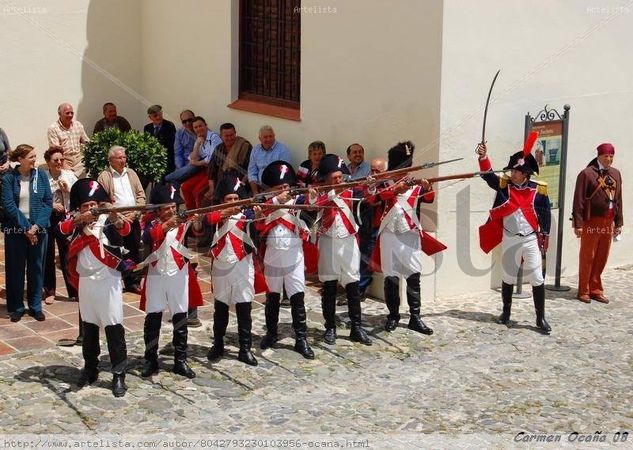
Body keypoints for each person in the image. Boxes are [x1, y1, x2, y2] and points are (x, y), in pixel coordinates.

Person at [59, 178, 133, 397]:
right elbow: (61, 228)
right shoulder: (75, 225)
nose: (91, 209)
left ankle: (119, 374)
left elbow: (126, 228)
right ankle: (90, 369)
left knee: (114, 329)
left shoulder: (109, 221)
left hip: (108, 281)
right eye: (86, 206)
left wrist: (113, 214)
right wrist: (78, 220)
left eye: (93, 205)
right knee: (89, 330)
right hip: (86, 282)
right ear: (79, 209)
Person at [476, 132, 552, 335]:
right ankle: (506, 313)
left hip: (530, 240)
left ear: (525, 172)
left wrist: (544, 236)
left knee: (537, 277)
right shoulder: (503, 186)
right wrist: (483, 157)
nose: (512, 173)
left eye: (516, 171)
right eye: (512, 170)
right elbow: (488, 176)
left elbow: (545, 216)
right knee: (508, 276)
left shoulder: (539, 191)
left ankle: (540, 317)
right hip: (510, 238)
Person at [370, 142, 446, 335]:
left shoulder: (415, 185)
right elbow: (372, 199)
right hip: (389, 235)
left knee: (413, 277)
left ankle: (415, 317)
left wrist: (428, 186)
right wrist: (396, 189)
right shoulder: (384, 185)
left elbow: (429, 198)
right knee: (391, 278)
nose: (405, 173)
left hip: (410, 235)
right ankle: (393, 316)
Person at [138, 183, 203, 379]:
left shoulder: (183, 221)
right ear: (158, 209)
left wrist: (197, 222)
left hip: (179, 274)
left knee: (180, 316)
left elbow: (198, 231)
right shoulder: (151, 222)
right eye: (167, 207)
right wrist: (166, 225)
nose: (172, 210)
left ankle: (180, 360)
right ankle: (150, 359)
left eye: (174, 206)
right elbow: (148, 237)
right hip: (157, 274)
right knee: (153, 318)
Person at [310, 154, 372, 346]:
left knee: (353, 285)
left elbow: (369, 195)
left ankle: (356, 327)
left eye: (340, 177)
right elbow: (313, 206)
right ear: (326, 179)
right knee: (329, 287)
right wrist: (329, 193)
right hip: (328, 241)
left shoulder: (350, 189)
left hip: (348, 240)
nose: (339, 180)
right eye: (335, 178)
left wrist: (370, 185)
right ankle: (330, 327)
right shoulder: (320, 192)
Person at [257, 161, 315, 359]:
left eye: (285, 187)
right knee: (272, 297)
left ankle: (301, 339)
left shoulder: (298, 201)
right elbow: (258, 218)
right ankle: (271, 334)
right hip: (272, 255)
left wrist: (310, 201)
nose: (284, 190)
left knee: (297, 297)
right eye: (279, 188)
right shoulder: (266, 204)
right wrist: (276, 200)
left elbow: (310, 211)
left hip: (294, 254)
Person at [204, 176, 262, 366]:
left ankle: (245, 348)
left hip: (242, 265)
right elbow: (208, 219)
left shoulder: (248, 214)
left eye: (236, 199)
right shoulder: (216, 214)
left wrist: (256, 211)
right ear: (222, 200)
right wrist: (226, 212)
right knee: (220, 308)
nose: (233, 202)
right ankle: (218, 344)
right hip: (221, 265)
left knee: (244, 306)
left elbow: (258, 220)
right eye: (228, 199)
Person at [2, 144, 53, 322]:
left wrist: (35, 227)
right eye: (31, 157)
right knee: (15, 270)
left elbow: (48, 202)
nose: (34, 160)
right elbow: (9, 205)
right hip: (16, 231)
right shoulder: (9, 178)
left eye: (34, 156)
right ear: (20, 159)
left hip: (38, 231)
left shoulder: (41, 176)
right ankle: (16, 307)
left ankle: (35, 306)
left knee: (36, 269)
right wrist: (25, 228)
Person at [572, 143, 623, 304]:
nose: (609, 159)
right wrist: (578, 224)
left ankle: (596, 288)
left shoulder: (616, 174)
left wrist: (619, 221)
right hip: (591, 221)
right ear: (599, 156)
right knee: (588, 255)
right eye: (606, 156)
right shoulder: (586, 174)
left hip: (608, 220)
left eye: (611, 156)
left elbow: (618, 199)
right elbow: (578, 200)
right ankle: (584, 290)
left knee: (602, 255)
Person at [97, 145, 146, 294]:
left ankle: (134, 281)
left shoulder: (131, 173)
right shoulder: (104, 176)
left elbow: (141, 195)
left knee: (134, 251)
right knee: (119, 251)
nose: (123, 160)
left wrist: (135, 213)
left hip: (134, 217)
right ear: (110, 160)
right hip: (117, 220)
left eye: (124, 157)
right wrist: (120, 216)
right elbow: (103, 201)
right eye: (119, 158)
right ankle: (120, 280)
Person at [42, 146, 78, 304]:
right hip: (48, 218)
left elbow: (79, 197)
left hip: (65, 218)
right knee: (48, 254)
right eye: (55, 160)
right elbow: (37, 199)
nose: (59, 162)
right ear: (48, 162)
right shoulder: (42, 177)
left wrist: (68, 190)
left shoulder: (69, 175)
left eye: (61, 159)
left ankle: (73, 290)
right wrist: (51, 206)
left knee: (68, 254)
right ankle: (50, 291)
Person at [175, 116, 222, 208]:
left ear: (206, 125)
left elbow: (210, 160)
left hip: (214, 171)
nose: (198, 129)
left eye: (200, 126)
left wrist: (196, 163)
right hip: (203, 171)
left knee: (197, 191)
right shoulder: (199, 138)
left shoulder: (214, 138)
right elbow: (192, 157)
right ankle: (191, 215)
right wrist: (197, 145)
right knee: (185, 187)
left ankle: (200, 217)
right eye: (195, 127)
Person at [205, 123, 253, 203]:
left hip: (239, 186)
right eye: (226, 136)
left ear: (235, 134)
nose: (229, 138)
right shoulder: (219, 148)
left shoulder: (244, 146)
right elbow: (211, 170)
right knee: (205, 201)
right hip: (221, 186)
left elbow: (250, 168)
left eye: (231, 135)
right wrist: (211, 189)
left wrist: (241, 184)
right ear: (221, 136)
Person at [47, 103, 90, 178]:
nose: (70, 115)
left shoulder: (78, 125)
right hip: (65, 159)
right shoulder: (53, 128)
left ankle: (72, 175)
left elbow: (87, 142)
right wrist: (64, 164)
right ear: (59, 114)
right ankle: (72, 176)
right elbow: (55, 151)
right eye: (67, 113)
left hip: (79, 159)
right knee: (68, 177)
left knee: (88, 163)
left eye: (72, 113)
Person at [247, 125, 292, 194]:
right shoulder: (255, 150)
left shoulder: (283, 150)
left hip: (277, 188)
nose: (268, 139)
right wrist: (255, 192)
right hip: (259, 187)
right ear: (260, 138)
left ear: (274, 136)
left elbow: (283, 175)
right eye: (265, 137)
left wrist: (269, 192)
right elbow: (252, 172)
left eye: (271, 136)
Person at [143, 105, 177, 176]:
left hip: (166, 159)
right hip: (152, 160)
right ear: (150, 117)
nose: (158, 117)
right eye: (155, 116)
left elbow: (171, 145)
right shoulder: (147, 128)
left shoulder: (169, 126)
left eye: (160, 114)